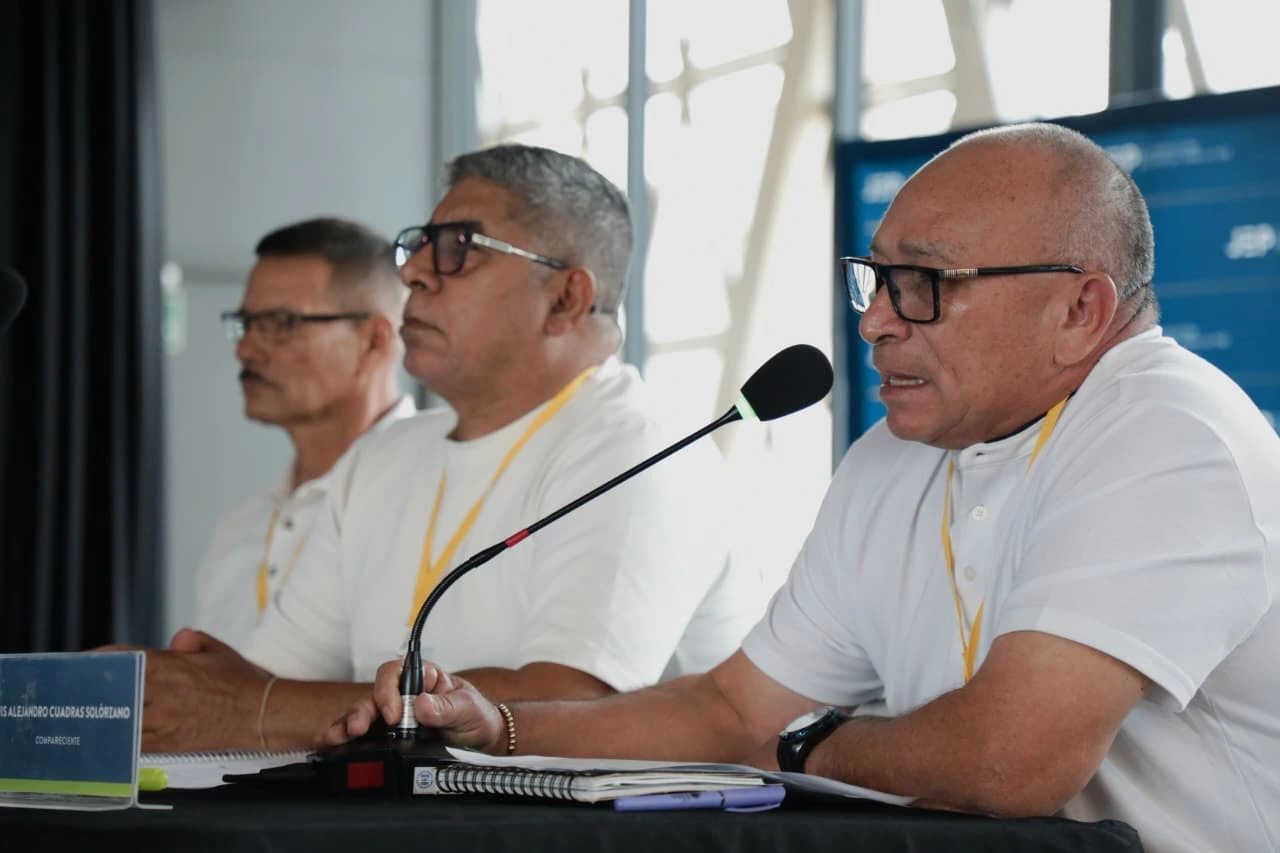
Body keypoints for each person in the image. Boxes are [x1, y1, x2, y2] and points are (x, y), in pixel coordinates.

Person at [334, 123, 1280, 853]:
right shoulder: (892, 457)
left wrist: (800, 748)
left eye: (922, 284)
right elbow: (733, 710)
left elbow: (1010, 759)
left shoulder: (1169, 430)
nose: (873, 322)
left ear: (1081, 310)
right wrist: (496, 728)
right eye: (874, 279)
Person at [135, 144, 761, 753]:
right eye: (421, 246)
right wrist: (183, 689)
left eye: (460, 248)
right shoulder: (383, 457)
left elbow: (566, 703)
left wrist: (254, 709)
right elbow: (266, 683)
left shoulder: (640, 450)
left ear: (565, 299)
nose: (412, 273)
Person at [191, 217, 417, 651]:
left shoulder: (429, 498)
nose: (245, 349)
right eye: (246, 323)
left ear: (374, 341)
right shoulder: (239, 528)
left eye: (280, 323)